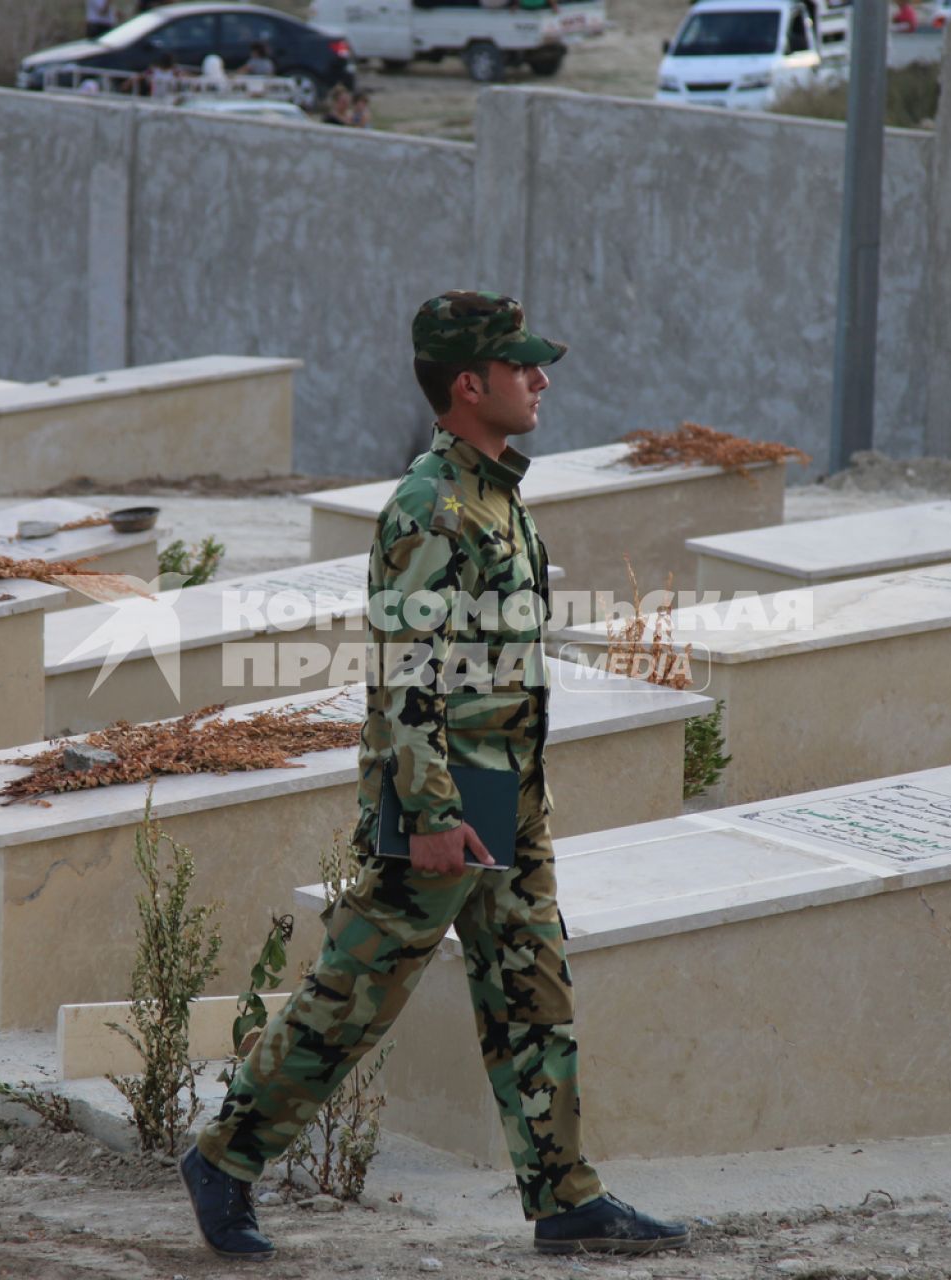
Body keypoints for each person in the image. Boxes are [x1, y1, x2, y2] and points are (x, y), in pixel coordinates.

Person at [179, 291, 691, 1262]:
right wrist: (431, 810)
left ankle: (566, 1194)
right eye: (522, 365)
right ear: (470, 383)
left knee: (533, 988)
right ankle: (225, 1152)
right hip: (446, 798)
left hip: (510, 793)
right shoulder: (430, 504)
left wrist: (520, 792)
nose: (541, 379)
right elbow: (404, 673)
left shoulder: (496, 490)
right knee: (356, 992)